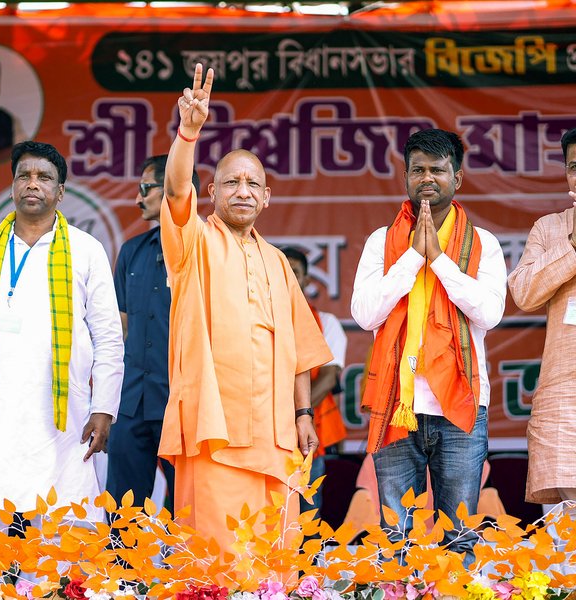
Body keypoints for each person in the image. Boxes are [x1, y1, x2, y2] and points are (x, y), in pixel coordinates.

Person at [158, 64, 332, 550]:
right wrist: (188, 134)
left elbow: (300, 349)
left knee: (273, 558)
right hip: (216, 428)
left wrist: (303, 415)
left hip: (276, 435)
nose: (243, 192)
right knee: (217, 558)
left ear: (267, 198)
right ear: (210, 193)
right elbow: (174, 191)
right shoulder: (192, 242)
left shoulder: (279, 262)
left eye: (253, 185)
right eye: (231, 182)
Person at [0, 141, 124, 532]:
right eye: (24, 176)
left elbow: (108, 337)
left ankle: (56, 592)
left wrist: (104, 407)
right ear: (12, 188)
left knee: (62, 519)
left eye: (44, 177)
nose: (32, 184)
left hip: (61, 413)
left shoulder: (87, 251)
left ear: (61, 191)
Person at [351, 128, 507, 561]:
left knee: (460, 537)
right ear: (405, 176)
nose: (427, 178)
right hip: (397, 406)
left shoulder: (484, 245)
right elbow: (365, 314)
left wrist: (438, 259)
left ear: (457, 177)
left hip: (460, 408)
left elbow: (489, 313)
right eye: (417, 169)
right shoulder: (382, 243)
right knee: (395, 539)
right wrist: (413, 258)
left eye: (437, 170)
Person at [105, 156, 199, 511]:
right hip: (131, 401)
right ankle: (122, 569)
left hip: (182, 401)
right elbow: (120, 327)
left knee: (187, 509)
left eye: (146, 188)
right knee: (122, 509)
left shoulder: (203, 247)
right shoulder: (131, 251)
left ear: (174, 188)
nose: (138, 198)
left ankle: (186, 570)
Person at [508, 127, 576, 507]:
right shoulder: (549, 228)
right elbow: (523, 293)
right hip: (564, 394)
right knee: (566, 532)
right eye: (574, 166)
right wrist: (572, 245)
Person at [281, 246, 348, 514]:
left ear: (307, 280)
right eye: (282, 271)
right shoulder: (257, 319)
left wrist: (296, 414)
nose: (288, 277)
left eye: (294, 272)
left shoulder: (327, 322)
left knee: (307, 510)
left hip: (311, 430)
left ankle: (308, 558)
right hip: (268, 433)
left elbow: (329, 377)